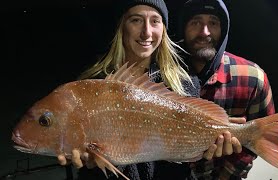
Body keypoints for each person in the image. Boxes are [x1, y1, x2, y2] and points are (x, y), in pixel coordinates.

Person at [57, 0, 242, 179]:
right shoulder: (94, 82)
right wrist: (87, 160)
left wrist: (215, 136)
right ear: (122, 26)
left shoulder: (184, 81)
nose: (146, 32)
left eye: (155, 21)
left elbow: (185, 155)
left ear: (163, 29)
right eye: (136, 20)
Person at [176, 0, 275, 179]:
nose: (204, 32)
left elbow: (258, 141)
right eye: (195, 22)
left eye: (213, 23)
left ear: (223, 30)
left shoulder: (253, 78)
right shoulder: (161, 76)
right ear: (183, 28)